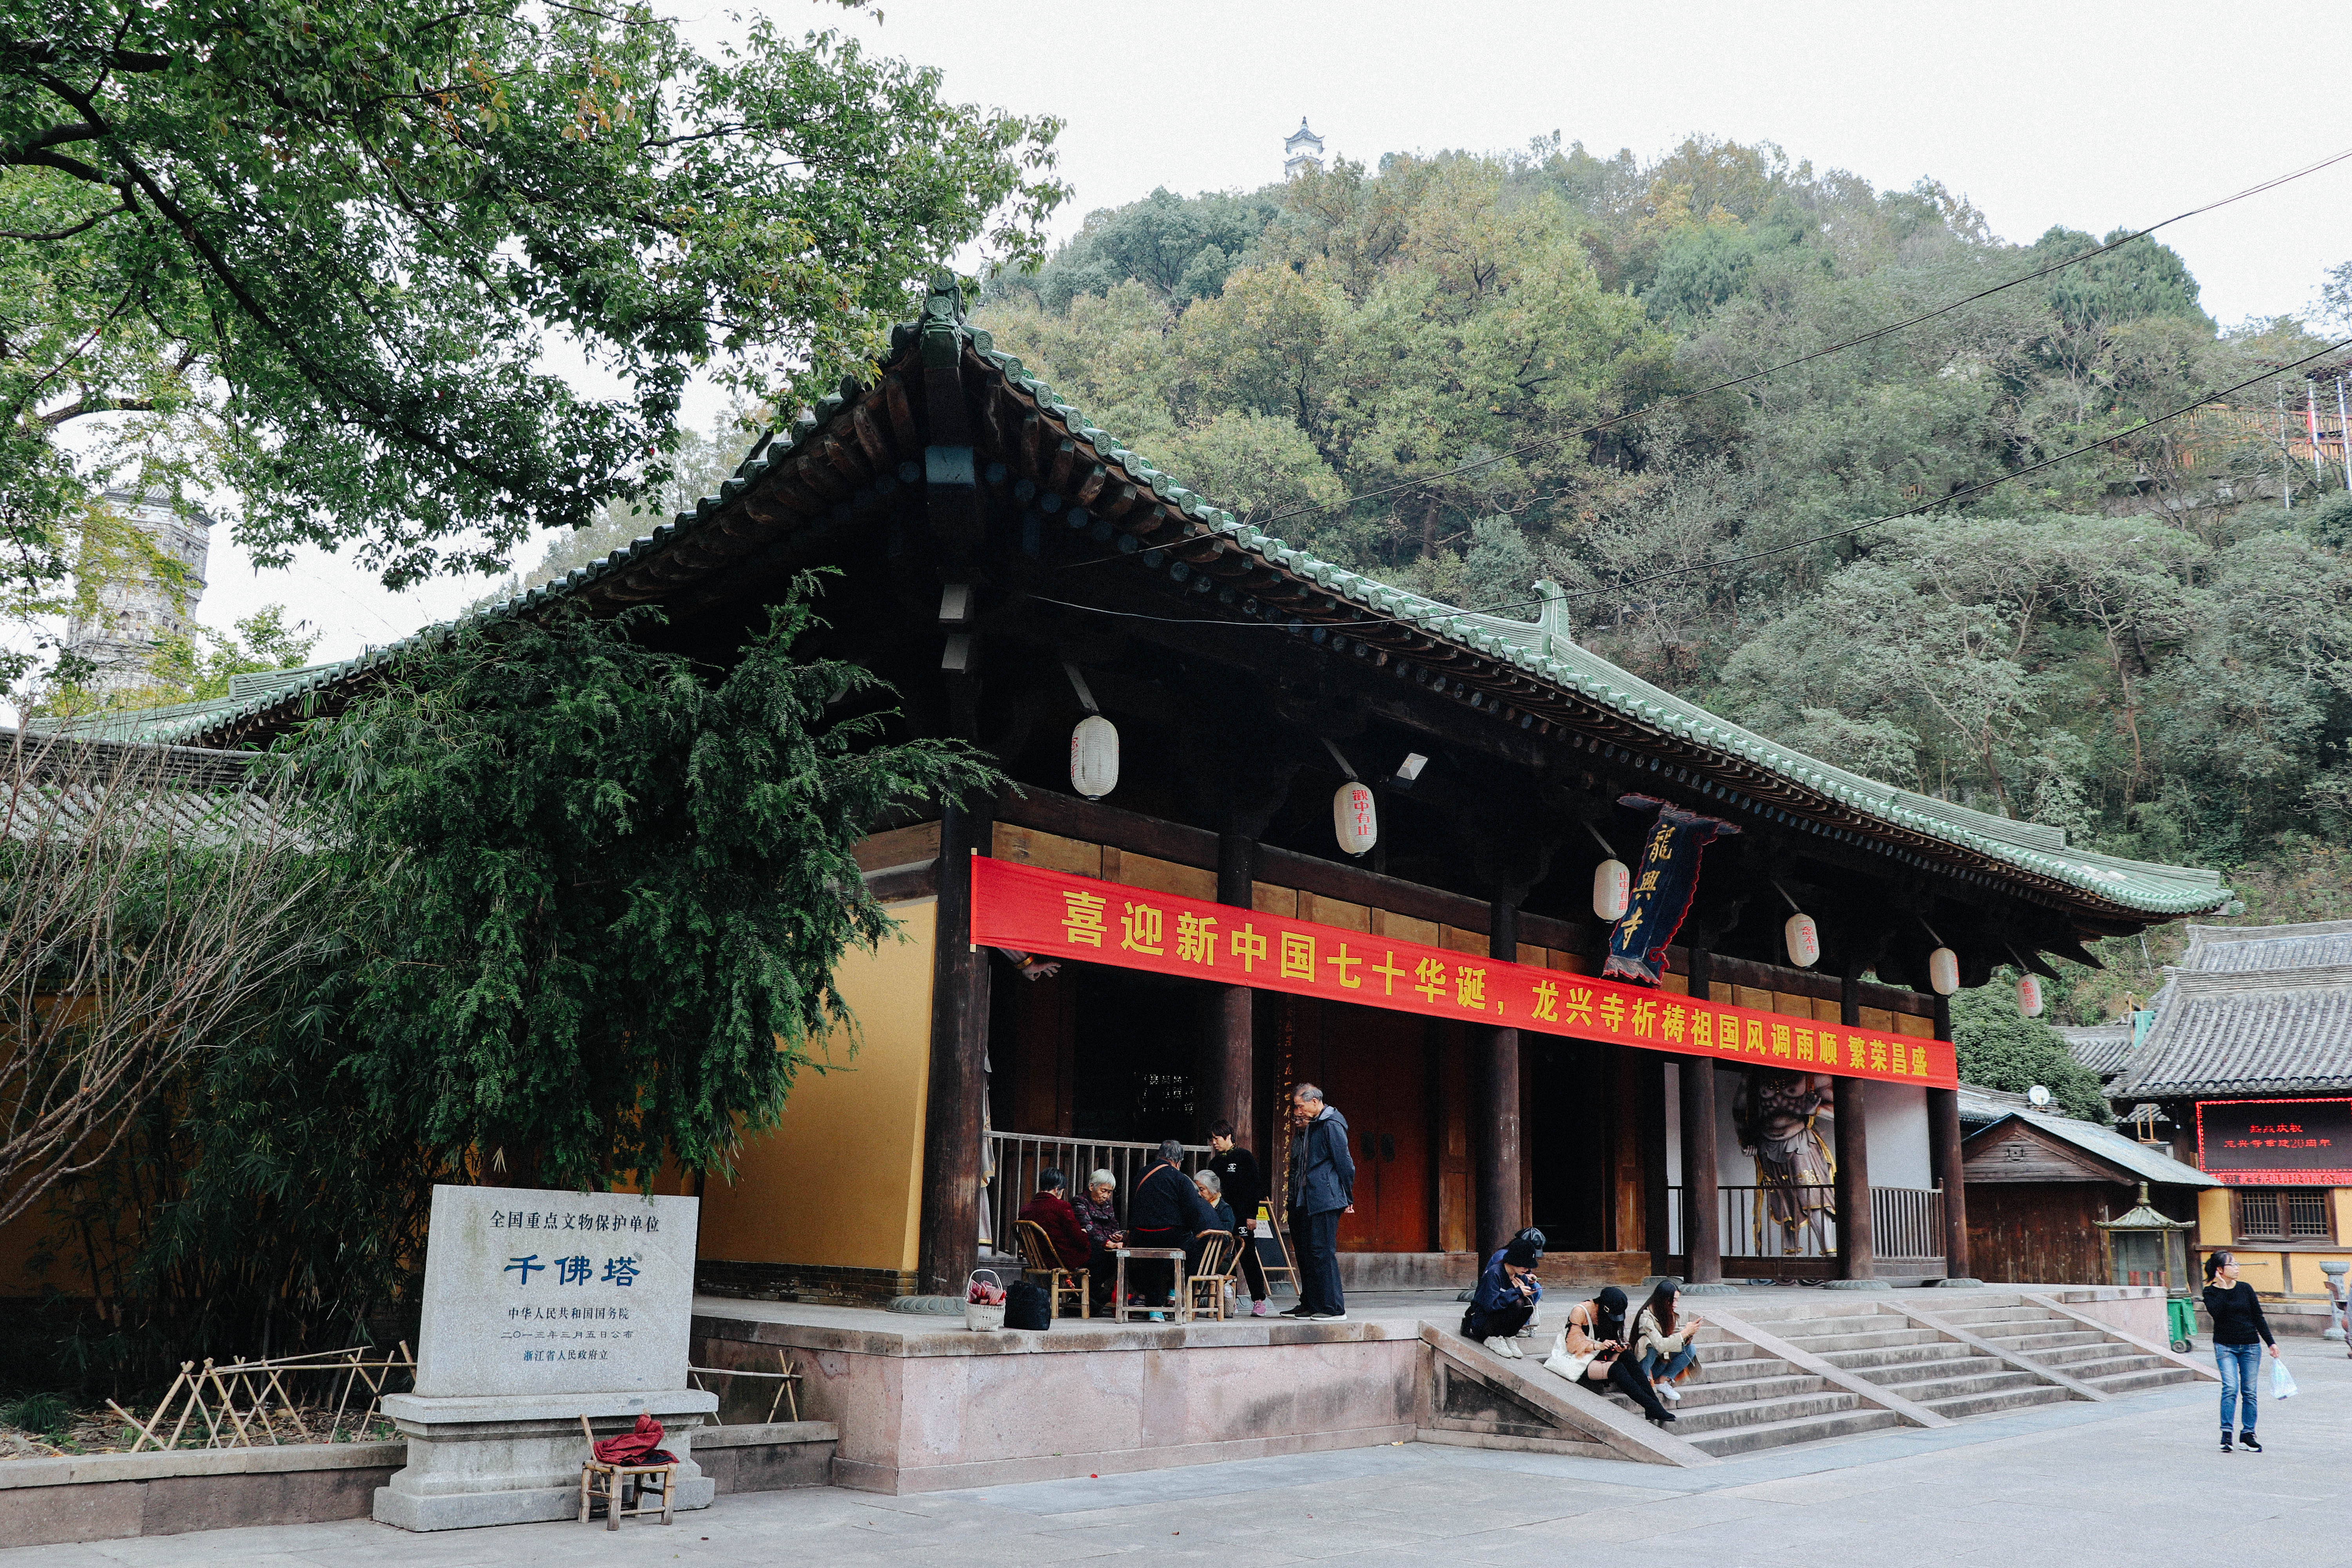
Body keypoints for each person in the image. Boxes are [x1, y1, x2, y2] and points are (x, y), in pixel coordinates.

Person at [1126, 1140, 1226, 1319]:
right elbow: (1193, 1213)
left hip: (1139, 1236)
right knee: (1195, 1246)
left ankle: (1155, 1309)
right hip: (1168, 1237)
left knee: (1153, 1262)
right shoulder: (1180, 1179)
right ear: (1179, 1162)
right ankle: (1174, 1290)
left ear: (1159, 1156)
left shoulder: (1141, 1174)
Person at [1557, 1285, 1676, 1426]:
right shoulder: (1581, 1311)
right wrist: (1597, 1346)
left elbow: (1610, 1341)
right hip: (1578, 1360)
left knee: (1627, 1356)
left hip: (1595, 1356)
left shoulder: (1609, 1315)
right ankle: (1653, 1407)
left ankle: (1654, 1407)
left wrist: (1618, 1347)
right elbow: (1572, 1345)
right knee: (1617, 1368)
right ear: (1604, 1307)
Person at [1285, 1082, 1355, 1323]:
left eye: (1300, 1106)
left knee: (1323, 1253)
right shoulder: (1313, 1125)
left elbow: (1345, 1164)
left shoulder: (1331, 1124)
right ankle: (1313, 1304)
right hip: (1309, 1199)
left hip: (1326, 1198)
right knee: (1310, 1252)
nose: (1298, 1112)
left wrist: (1348, 1196)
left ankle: (1334, 1308)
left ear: (1314, 1102)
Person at [2204, 1250, 2278, 1452]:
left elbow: (2258, 1317)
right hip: (2225, 1346)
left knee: (2250, 1392)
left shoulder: (2246, 1289)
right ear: (2220, 1270)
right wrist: (2223, 1287)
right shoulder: (2210, 1292)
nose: (2237, 1268)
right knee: (2230, 1388)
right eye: (2232, 1265)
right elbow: (2218, 1313)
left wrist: (2271, 1343)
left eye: (2237, 1264)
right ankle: (2227, 1433)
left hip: (2250, 1347)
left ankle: (2248, 1435)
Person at [1207, 1122, 1273, 1318]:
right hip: (1223, 1217)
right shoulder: (1215, 1163)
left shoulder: (1244, 1157)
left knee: (1247, 1254)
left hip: (1243, 1215)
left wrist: (1252, 1215)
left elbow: (1255, 1187)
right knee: (1225, 1255)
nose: (1214, 1143)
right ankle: (1231, 1299)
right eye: (1212, 1139)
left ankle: (1259, 1300)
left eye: (1217, 1138)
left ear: (1228, 1136)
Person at [1461, 1229, 1545, 1356]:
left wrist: (1529, 1289)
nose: (1527, 1269)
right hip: (1484, 1321)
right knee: (1517, 1302)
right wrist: (1516, 1292)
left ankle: (1508, 1336)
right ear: (1514, 1260)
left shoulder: (1521, 1275)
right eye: (1525, 1265)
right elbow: (1490, 1306)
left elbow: (1524, 1303)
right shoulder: (1495, 1273)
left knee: (1528, 1305)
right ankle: (1493, 1338)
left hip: (1502, 1322)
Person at [1015, 1168, 1096, 1278]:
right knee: (1098, 1252)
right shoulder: (1061, 1207)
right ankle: (1086, 1289)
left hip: (1036, 1260)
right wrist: (1084, 1233)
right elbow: (1079, 1239)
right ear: (1057, 1189)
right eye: (1062, 1191)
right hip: (1058, 1260)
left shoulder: (1026, 1209)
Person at [1634, 1278, 1704, 1404]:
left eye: (1677, 1300)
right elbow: (1660, 1345)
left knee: (1690, 1348)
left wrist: (1689, 1335)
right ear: (1663, 1299)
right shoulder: (1646, 1317)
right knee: (1647, 1342)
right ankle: (1646, 1382)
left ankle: (1662, 1381)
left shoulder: (1669, 1314)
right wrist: (1685, 1333)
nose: (1676, 1304)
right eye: (1674, 1300)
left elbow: (1676, 1338)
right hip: (1644, 1368)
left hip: (1662, 1363)